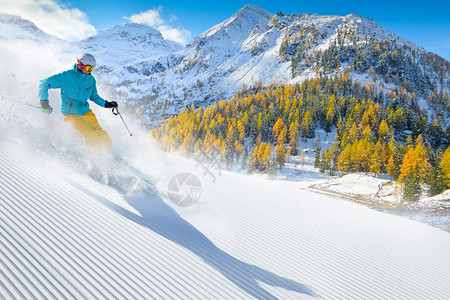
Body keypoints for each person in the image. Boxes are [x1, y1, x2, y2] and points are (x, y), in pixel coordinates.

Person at [39, 53, 118, 153]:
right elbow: (44, 83)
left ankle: (113, 151)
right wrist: (44, 101)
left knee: (99, 131)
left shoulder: (90, 80)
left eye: (92, 68)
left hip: (85, 111)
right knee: (90, 133)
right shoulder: (67, 76)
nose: (90, 71)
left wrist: (107, 104)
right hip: (70, 114)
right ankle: (102, 155)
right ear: (80, 65)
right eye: (89, 68)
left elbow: (94, 96)